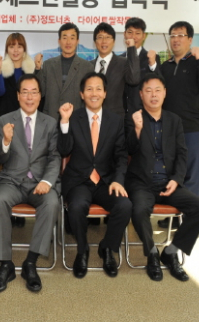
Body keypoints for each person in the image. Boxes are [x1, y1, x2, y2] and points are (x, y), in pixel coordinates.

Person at [125, 73, 199, 282]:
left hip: (168, 183)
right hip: (142, 183)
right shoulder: (132, 118)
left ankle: (171, 252)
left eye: (158, 90)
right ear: (141, 94)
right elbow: (128, 150)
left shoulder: (174, 120)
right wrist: (137, 129)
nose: (153, 95)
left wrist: (176, 179)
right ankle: (152, 254)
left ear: (164, 93)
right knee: (138, 210)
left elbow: (182, 153)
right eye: (148, 91)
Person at [0, 74, 61, 293]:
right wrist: (6, 141)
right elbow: (0, 158)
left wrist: (47, 181)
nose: (30, 97)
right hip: (11, 180)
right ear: (18, 96)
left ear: (40, 96)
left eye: (34, 92)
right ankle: (5, 264)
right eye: (25, 92)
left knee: (51, 203)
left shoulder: (50, 122)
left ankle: (31, 262)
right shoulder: (5, 120)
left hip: (40, 182)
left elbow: (55, 157)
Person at [57, 72, 132, 279]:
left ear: (105, 93)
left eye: (98, 88)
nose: (94, 93)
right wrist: (64, 122)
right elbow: (64, 150)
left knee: (125, 206)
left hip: (106, 181)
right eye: (89, 89)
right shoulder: (73, 118)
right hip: (79, 180)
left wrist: (118, 180)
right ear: (82, 94)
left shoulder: (115, 121)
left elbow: (121, 156)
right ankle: (82, 251)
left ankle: (107, 248)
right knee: (77, 206)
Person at [161, 21, 199, 197]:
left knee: (191, 175)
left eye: (181, 36)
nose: (176, 39)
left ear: (190, 39)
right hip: (170, 130)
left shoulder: (198, 62)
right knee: (172, 173)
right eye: (173, 36)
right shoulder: (165, 66)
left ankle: (189, 211)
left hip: (194, 129)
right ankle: (174, 210)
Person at [36, 22, 93, 121]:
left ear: (77, 41)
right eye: (65, 37)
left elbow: (89, 97)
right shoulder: (48, 65)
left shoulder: (87, 67)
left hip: (76, 120)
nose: (68, 42)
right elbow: (40, 92)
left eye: (72, 38)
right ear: (59, 41)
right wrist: (37, 69)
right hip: (51, 119)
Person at [91, 22, 140, 118]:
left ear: (113, 41)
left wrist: (131, 48)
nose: (104, 41)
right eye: (100, 37)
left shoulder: (123, 63)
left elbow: (134, 79)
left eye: (108, 37)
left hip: (115, 119)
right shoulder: (88, 65)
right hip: (91, 118)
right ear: (95, 42)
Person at [121, 17, 161, 114]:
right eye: (130, 32)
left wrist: (152, 64)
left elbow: (159, 83)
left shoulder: (151, 58)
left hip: (143, 113)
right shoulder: (119, 59)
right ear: (124, 34)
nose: (133, 37)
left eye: (137, 33)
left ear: (144, 36)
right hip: (122, 113)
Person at [0, 32, 36, 120]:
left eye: (19, 47)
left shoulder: (31, 70)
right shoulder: (1, 69)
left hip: (27, 117)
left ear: (24, 49)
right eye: (12, 47)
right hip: (6, 117)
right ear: (7, 50)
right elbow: (0, 92)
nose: (15, 50)